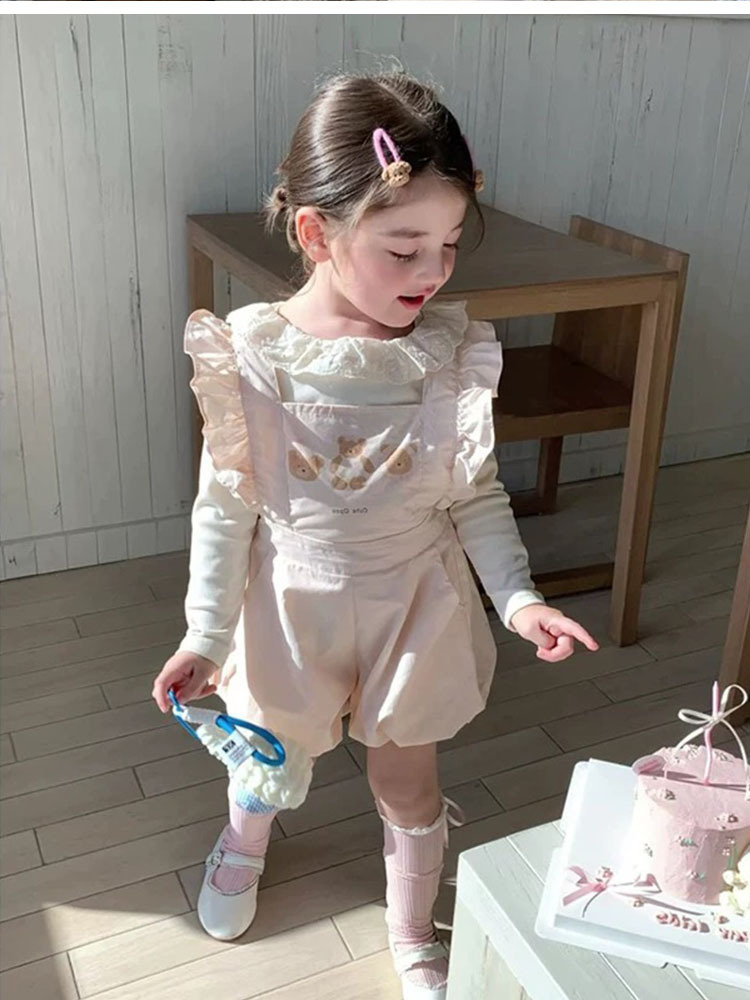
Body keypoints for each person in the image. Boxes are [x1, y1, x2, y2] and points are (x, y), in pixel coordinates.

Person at [151, 70, 598, 1000]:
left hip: (415, 603)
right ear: (317, 234)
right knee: (269, 754)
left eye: (448, 245)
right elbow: (225, 508)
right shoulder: (253, 353)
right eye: (404, 249)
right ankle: (244, 841)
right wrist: (205, 635)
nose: (433, 272)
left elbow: (474, 494)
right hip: (289, 603)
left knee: (409, 778)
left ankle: (410, 928)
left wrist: (519, 599)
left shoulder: (447, 354)